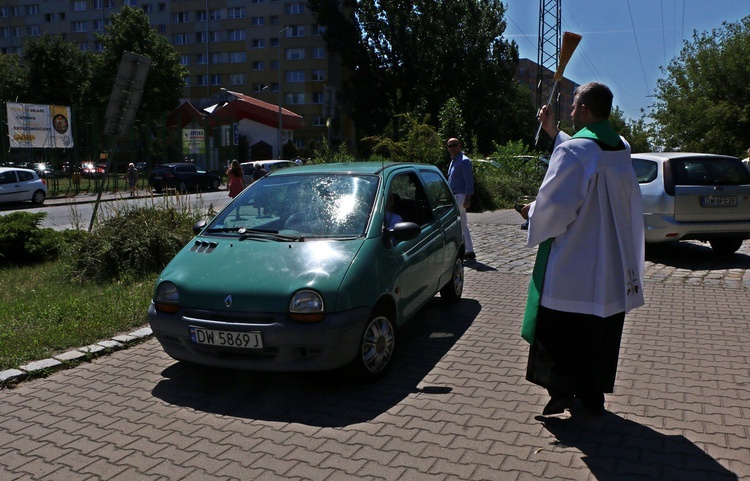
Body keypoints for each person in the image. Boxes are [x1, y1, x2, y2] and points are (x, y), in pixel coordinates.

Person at [519, 82, 645, 416]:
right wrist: (553, 131)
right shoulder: (621, 147)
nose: (571, 112)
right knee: (597, 333)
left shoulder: (575, 151)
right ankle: (592, 398)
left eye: (574, 107)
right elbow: (588, 158)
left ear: (586, 110)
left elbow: (556, 208)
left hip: (574, 263)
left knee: (561, 331)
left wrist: (533, 212)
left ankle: (561, 392)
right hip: (610, 264)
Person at [446, 138, 475, 260]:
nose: (452, 148)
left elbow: (469, 181)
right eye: (450, 146)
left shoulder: (464, 161)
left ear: (460, 146)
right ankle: (469, 250)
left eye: (454, 145)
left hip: (461, 196)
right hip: (454, 195)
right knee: (463, 224)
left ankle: (457, 249)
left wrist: (468, 198)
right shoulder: (453, 160)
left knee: (452, 221)